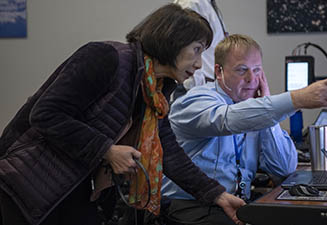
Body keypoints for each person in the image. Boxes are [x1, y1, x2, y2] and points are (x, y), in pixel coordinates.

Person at [0, 4, 245, 225]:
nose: (200, 63)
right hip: (24, 185)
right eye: (197, 50)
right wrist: (106, 150)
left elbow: (169, 151)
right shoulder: (106, 57)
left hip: (74, 191)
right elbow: (45, 114)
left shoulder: (153, 91)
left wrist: (216, 194)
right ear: (173, 40)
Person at [161, 34, 327, 224]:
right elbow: (228, 119)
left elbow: (283, 167)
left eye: (257, 70)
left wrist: (265, 103)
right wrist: (296, 99)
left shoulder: (257, 109)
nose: (251, 79)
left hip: (233, 202)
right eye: (242, 70)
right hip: (188, 205)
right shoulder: (195, 100)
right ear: (219, 71)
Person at [171, 0, 228, 101]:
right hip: (194, 87)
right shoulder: (191, 3)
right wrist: (194, 84)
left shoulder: (208, 4)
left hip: (206, 86)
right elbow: (185, 47)